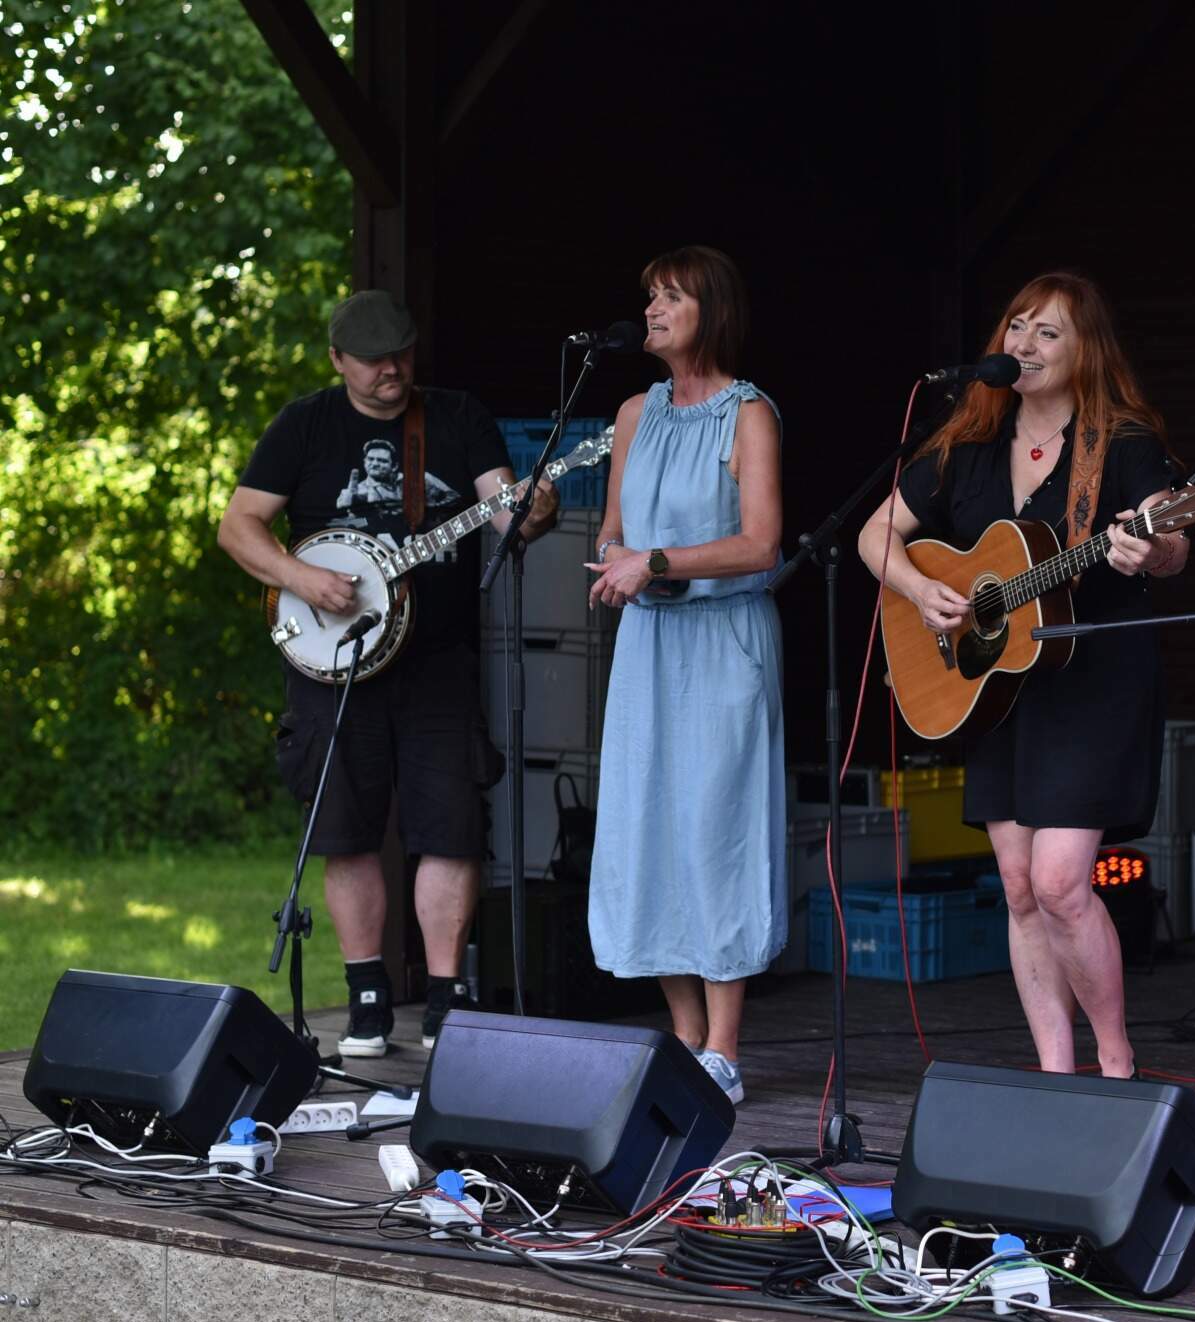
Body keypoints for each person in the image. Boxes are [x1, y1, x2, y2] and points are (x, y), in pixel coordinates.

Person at [857, 272, 1189, 1079]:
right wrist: (919, 590)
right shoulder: (967, 444)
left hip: (1093, 679)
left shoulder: (1122, 441)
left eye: (1049, 332)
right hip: (997, 687)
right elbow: (874, 535)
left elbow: (1175, 542)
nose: (1025, 344)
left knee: (1061, 881)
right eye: (1017, 326)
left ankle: (1115, 1062)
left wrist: (1152, 545)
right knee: (1017, 884)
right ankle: (1055, 1075)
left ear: (1086, 351)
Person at [219, 289, 558, 1056]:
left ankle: (445, 998)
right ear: (337, 359)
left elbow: (505, 512)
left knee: (452, 826)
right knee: (346, 831)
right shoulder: (305, 425)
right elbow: (238, 526)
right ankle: (367, 996)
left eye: (400, 354)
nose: (390, 371)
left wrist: (534, 511)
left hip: (437, 659)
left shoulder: (457, 417)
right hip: (333, 660)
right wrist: (303, 580)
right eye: (372, 360)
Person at [583, 245, 784, 1107]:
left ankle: (726, 1049)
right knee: (648, 827)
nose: (653, 309)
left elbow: (761, 542)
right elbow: (612, 528)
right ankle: (685, 1036)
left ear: (713, 310)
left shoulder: (750, 415)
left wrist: (658, 561)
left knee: (716, 829)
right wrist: (617, 558)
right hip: (651, 642)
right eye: (651, 296)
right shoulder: (635, 412)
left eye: (671, 296)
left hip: (723, 637)